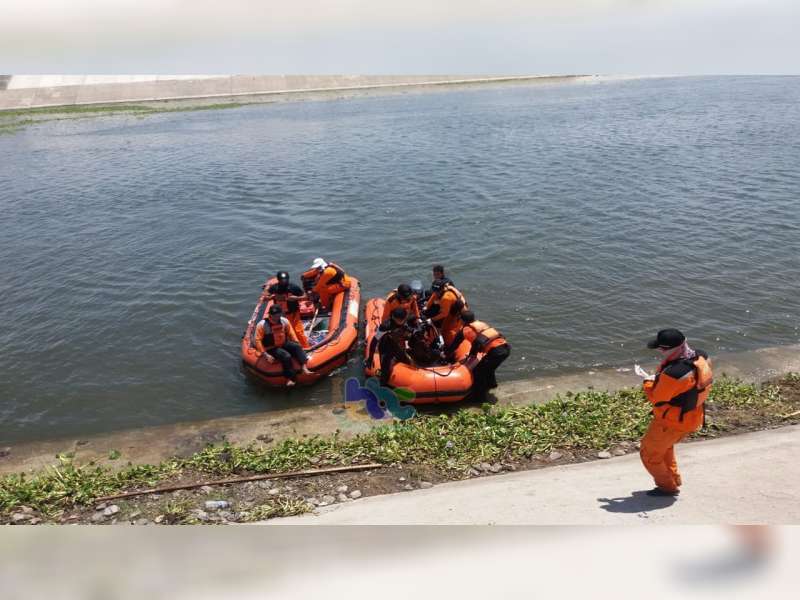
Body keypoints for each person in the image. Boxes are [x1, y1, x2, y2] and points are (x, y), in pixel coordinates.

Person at [640, 328, 713, 496]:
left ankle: (667, 487)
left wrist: (647, 381)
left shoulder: (674, 374)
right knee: (665, 448)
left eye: (662, 349)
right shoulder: (701, 356)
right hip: (692, 416)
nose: (660, 351)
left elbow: (657, 398)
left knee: (649, 454)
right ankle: (674, 479)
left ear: (671, 349)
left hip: (670, 422)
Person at [446, 310, 510, 399]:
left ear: (462, 321)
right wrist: (472, 354)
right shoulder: (481, 324)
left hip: (496, 352)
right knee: (488, 367)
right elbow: (477, 342)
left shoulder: (464, 330)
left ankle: (479, 397)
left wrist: (446, 355)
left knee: (478, 371)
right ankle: (492, 384)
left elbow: (454, 345)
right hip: (505, 347)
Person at [254, 304, 312, 386]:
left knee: (297, 347)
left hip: (283, 343)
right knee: (286, 356)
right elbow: (257, 340)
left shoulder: (284, 321)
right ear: (270, 314)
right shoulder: (262, 325)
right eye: (274, 315)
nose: (276, 317)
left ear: (280, 314)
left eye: (278, 314)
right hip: (271, 348)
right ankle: (291, 378)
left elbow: (291, 333)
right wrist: (266, 355)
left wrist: (296, 342)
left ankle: (304, 366)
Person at [366, 307, 413, 386]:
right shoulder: (385, 326)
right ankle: (381, 390)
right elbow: (374, 341)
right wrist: (370, 358)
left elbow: (408, 330)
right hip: (385, 349)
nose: (401, 322)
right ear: (393, 317)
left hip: (396, 346)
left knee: (408, 362)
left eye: (403, 320)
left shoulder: (404, 322)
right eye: (399, 320)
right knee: (385, 373)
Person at [264, 271, 309, 348]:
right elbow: (265, 296)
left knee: (298, 331)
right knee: (282, 333)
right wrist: (271, 297)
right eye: (282, 280)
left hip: (293, 314)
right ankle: (287, 347)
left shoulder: (294, 287)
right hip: (280, 315)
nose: (284, 282)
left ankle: (306, 347)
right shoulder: (274, 288)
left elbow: (305, 296)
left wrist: (296, 298)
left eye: (285, 280)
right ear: (279, 280)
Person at [422, 279, 468, 344]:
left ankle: (442, 339)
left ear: (441, 290)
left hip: (457, 311)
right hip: (452, 306)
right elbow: (434, 295)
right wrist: (426, 307)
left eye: (437, 291)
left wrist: (432, 319)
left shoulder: (446, 298)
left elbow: (444, 314)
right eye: (434, 291)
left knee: (443, 326)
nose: (436, 292)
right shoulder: (442, 289)